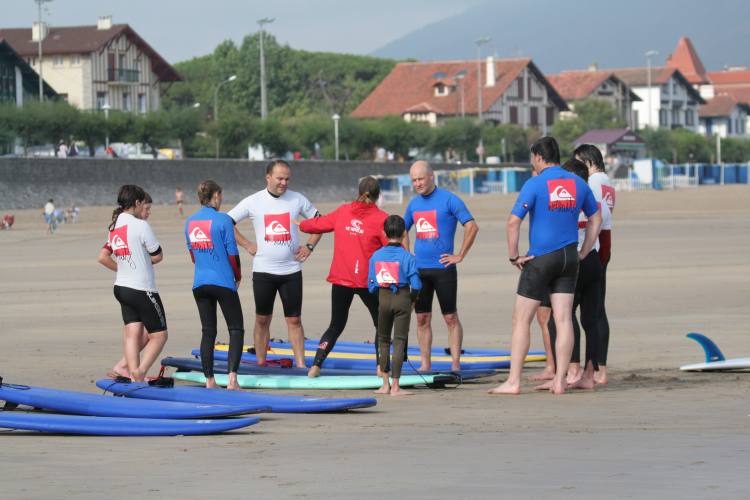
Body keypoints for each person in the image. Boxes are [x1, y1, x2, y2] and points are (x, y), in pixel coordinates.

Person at [489, 136, 601, 396]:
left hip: (541, 258)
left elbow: (513, 222)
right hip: (569, 258)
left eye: (533, 158)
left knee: (521, 319)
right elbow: (595, 218)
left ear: (539, 157)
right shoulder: (578, 183)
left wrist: (514, 256)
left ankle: (513, 382)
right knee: (564, 319)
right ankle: (560, 381)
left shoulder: (536, 183)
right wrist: (584, 250)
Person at [228, 159, 322, 368]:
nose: (284, 183)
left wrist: (309, 246)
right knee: (262, 320)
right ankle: (261, 363)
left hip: (291, 271)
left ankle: (300, 364)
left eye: (287, 179)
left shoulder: (297, 199)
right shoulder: (253, 201)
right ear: (268, 177)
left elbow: (319, 222)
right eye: (279, 178)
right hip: (264, 272)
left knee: (294, 320)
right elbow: (226, 222)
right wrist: (245, 244)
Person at [298, 176, 389, 377]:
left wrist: (302, 225)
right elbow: (390, 249)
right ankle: (381, 368)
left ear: (358, 192)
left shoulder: (343, 212)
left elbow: (318, 224)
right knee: (381, 324)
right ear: (377, 195)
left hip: (341, 279)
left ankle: (316, 366)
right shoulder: (382, 219)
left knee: (336, 325)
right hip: (368, 281)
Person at [541, 159, 610, 390]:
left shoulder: (566, 198)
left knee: (560, 318)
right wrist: (591, 253)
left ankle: (571, 371)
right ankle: (589, 376)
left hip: (572, 261)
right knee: (592, 319)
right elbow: (601, 228)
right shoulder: (594, 198)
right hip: (593, 261)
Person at [403, 161, 479, 371]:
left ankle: (455, 364)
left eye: (420, 179)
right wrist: (407, 254)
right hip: (419, 271)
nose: (417, 183)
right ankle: (425, 365)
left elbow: (472, 226)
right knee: (421, 319)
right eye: (414, 180)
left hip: (444, 269)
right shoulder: (414, 204)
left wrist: (460, 255)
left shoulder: (449, 200)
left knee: (450, 317)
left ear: (431, 176)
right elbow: (402, 230)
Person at [97, 185, 168, 382]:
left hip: (121, 287)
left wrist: (124, 268)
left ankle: (131, 372)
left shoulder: (115, 227)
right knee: (159, 335)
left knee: (132, 334)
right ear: (137, 203)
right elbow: (158, 255)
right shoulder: (141, 225)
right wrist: (142, 262)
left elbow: (104, 257)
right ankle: (140, 371)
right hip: (142, 288)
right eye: (143, 204)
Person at [186, 180, 244, 390]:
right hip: (223, 281)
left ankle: (209, 380)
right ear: (216, 196)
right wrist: (238, 276)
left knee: (208, 331)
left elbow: (193, 254)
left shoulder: (190, 222)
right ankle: (232, 380)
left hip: (200, 283)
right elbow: (232, 255)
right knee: (236, 329)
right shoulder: (223, 220)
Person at [368, 215, 422, 396]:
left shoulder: (376, 256)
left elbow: (371, 286)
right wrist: (412, 301)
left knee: (383, 340)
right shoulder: (408, 257)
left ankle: (384, 384)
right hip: (402, 298)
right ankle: (396, 386)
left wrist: (382, 295)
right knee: (399, 341)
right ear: (404, 233)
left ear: (384, 233)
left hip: (383, 298)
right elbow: (417, 285)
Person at [575, 144, 614, 385]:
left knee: (592, 314)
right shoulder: (606, 181)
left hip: (592, 250)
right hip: (602, 249)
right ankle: (601, 367)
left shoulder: (593, 184)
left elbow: (597, 219)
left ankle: (596, 368)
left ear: (588, 162)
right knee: (598, 311)